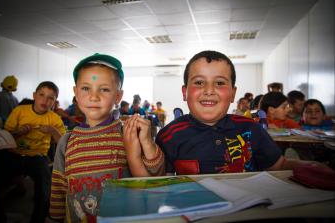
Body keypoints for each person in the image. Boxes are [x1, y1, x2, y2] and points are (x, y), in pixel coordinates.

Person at [124, 50, 328, 176]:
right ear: (185, 92)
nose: (209, 90)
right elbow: (162, 181)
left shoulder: (251, 127)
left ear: (232, 93)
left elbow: (279, 165)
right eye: (199, 82)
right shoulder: (169, 135)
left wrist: (311, 166)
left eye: (220, 83)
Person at [48, 53, 159, 222]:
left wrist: (147, 141)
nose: (94, 96)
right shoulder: (67, 141)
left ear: (118, 97)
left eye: (104, 89)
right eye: (86, 88)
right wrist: (55, 218)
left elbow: (156, 175)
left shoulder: (127, 134)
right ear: (76, 93)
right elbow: (58, 187)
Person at [0, 81, 66, 223]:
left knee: (44, 190)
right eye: (41, 95)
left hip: (38, 157)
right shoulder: (20, 111)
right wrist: (18, 133)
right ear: (34, 95)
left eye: (51, 98)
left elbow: (62, 143)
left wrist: (52, 130)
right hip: (13, 153)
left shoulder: (54, 118)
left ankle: (37, 219)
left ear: (55, 102)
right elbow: (5, 136)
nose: (45, 100)